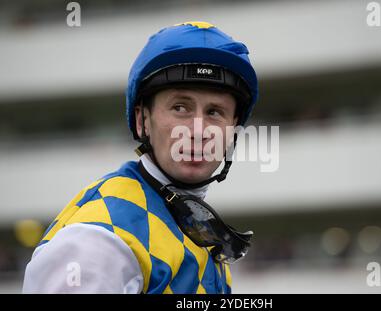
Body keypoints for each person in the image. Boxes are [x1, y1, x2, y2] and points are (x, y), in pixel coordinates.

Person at [22, 21, 258, 294]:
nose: (197, 130)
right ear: (142, 119)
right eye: (180, 107)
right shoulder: (99, 238)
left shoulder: (202, 235)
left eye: (215, 112)